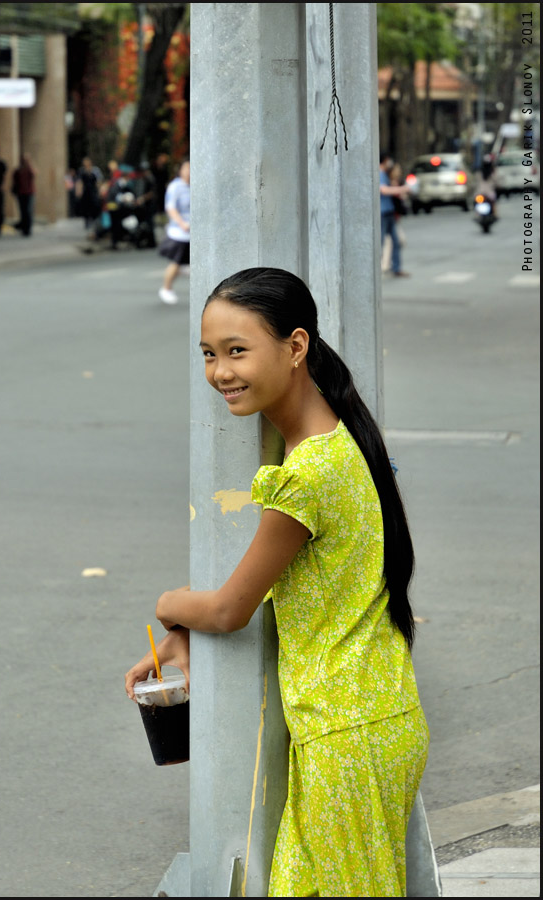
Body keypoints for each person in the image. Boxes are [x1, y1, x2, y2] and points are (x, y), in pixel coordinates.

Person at [125, 267, 430, 896]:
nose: (220, 372)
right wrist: (185, 633)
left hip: (346, 735)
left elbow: (229, 608)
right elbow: (296, 580)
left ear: (295, 347)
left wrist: (168, 605)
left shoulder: (306, 474)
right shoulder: (341, 441)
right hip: (363, 720)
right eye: (208, 354)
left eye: (237, 351)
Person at [158, 159, 190, 304]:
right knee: (176, 262)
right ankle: (166, 288)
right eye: (187, 168)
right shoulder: (175, 186)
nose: (189, 172)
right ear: (181, 170)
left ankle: (185, 268)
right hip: (180, 232)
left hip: (194, 233)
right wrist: (182, 223)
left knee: (185, 262)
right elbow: (170, 208)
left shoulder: (196, 185)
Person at [379, 152, 410, 277]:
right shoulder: (379, 174)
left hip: (389, 212)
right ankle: (378, 268)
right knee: (380, 242)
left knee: (396, 241)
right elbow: (383, 190)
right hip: (382, 212)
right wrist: (402, 189)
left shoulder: (385, 174)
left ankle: (396, 268)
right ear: (385, 160)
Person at [11, 153, 36, 237]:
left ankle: (28, 229)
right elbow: (14, 180)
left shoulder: (29, 169)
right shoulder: (18, 170)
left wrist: (29, 165)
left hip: (29, 193)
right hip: (21, 193)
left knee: (28, 210)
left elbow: (34, 174)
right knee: (23, 211)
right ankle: (24, 228)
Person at [75, 156, 102, 231]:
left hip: (93, 190)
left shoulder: (95, 170)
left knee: (94, 206)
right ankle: (86, 221)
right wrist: (78, 191)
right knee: (85, 207)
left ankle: (93, 220)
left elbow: (99, 181)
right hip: (85, 191)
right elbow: (79, 181)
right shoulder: (81, 170)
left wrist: (99, 190)